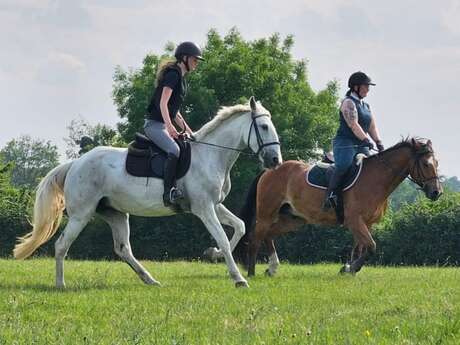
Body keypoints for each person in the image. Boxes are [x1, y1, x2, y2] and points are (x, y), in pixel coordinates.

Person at [144, 42, 204, 206]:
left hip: (162, 125)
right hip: (154, 125)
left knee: (185, 146)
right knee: (174, 149)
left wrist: (192, 133)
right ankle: (168, 192)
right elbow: (163, 103)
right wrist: (170, 128)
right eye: (194, 59)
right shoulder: (173, 75)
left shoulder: (182, 79)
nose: (196, 63)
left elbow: (175, 112)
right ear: (184, 58)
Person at [323, 71, 384, 210]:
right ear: (356, 87)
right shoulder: (348, 103)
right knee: (344, 165)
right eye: (365, 86)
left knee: (373, 167)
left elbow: (372, 126)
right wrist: (365, 139)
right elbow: (353, 124)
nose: (368, 89)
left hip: (362, 144)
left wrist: (378, 142)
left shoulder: (366, 106)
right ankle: (330, 195)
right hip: (345, 142)